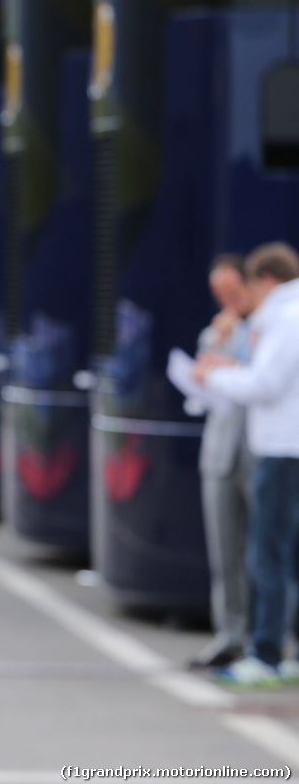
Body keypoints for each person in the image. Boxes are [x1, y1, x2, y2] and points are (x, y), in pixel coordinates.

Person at [196, 242, 299, 688]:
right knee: (271, 553)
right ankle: (268, 648)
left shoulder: (286, 317)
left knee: (268, 555)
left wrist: (215, 374)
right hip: (274, 447)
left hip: (278, 449)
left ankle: (267, 652)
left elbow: (265, 383)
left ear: (263, 281)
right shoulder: (280, 317)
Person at [187, 254, 257, 669]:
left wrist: (230, 363)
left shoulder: (271, 327)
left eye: (233, 292)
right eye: (220, 295)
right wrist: (216, 343)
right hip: (220, 453)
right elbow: (199, 380)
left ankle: (273, 637)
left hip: (260, 451)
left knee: (269, 554)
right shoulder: (217, 331)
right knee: (225, 553)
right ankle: (231, 635)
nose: (228, 302)